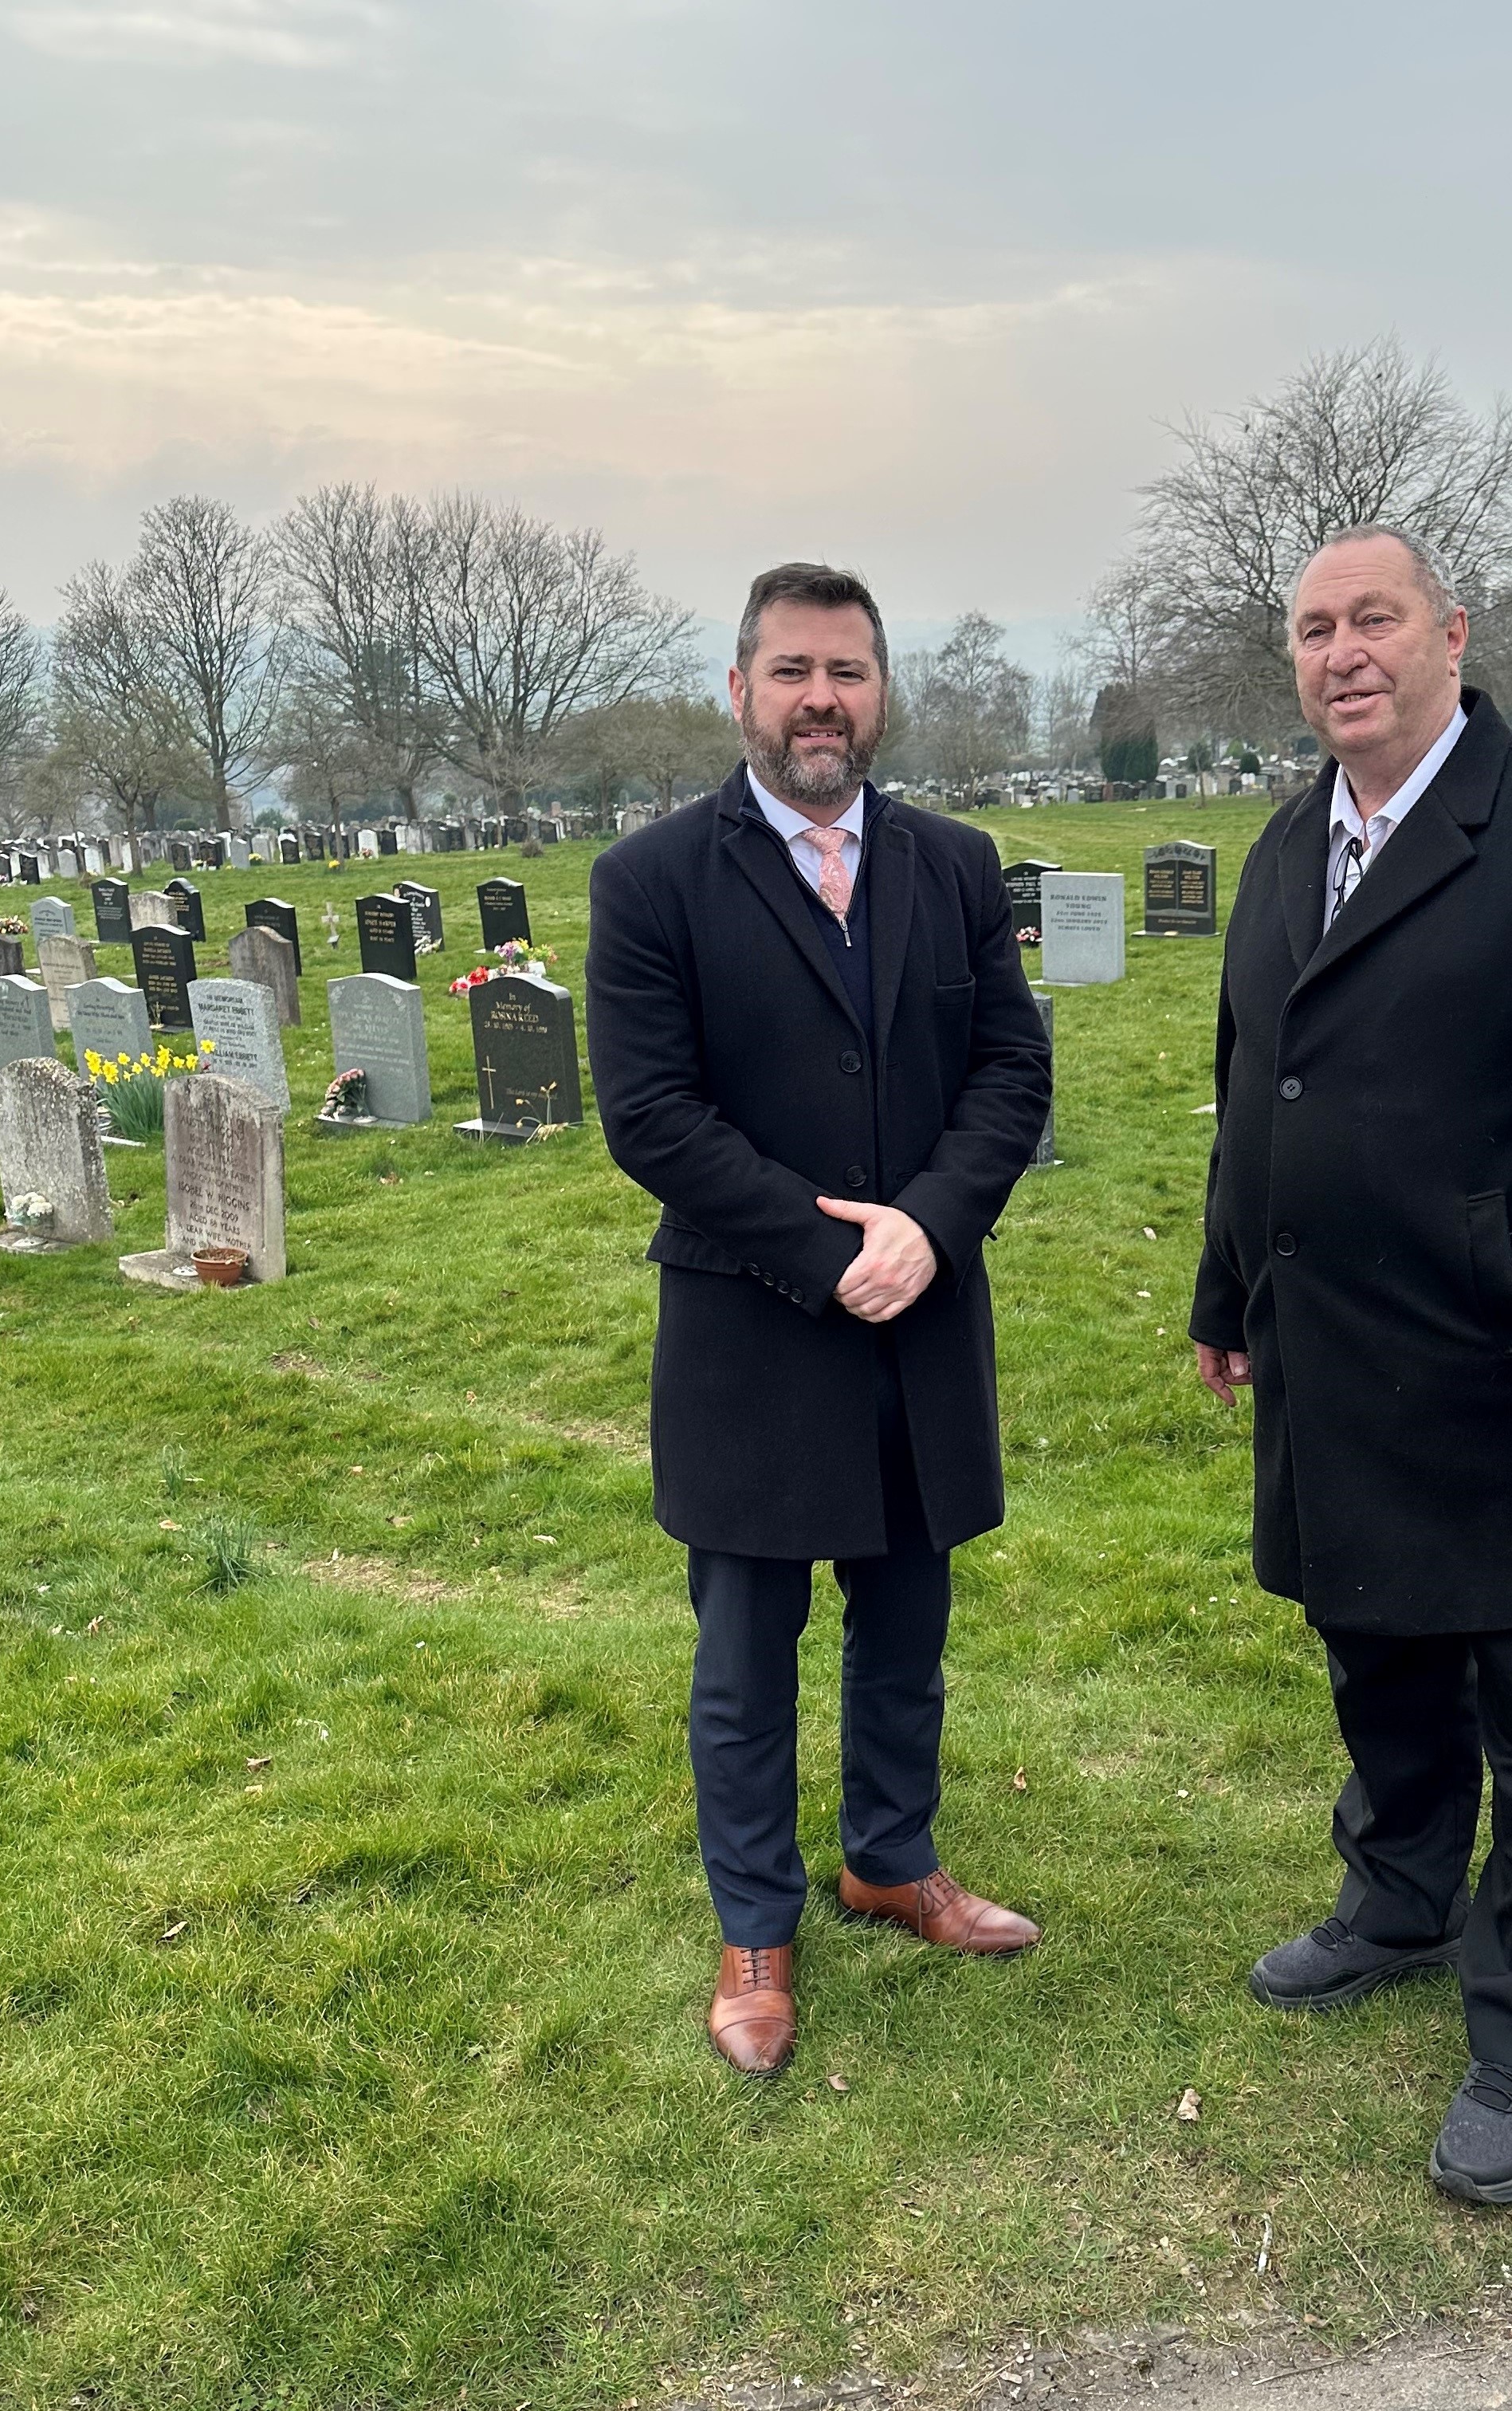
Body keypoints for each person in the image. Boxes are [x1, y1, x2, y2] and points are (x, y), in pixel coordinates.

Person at [1188, 526, 1512, 2203]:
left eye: (1374, 620)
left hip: (1510, 1363)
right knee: (1381, 1666)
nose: (1342, 652)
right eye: (1313, 629)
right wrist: (1223, 1295)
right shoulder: (1287, 850)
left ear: (1449, 635)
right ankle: (1402, 1899)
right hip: (1331, 1355)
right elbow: (1251, 1091)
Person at [587, 561, 1054, 2075]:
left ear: (880, 691)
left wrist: (930, 1224)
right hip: (752, 1322)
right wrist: (819, 1246)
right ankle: (755, 1932)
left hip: (921, 1308)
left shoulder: (956, 865)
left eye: (847, 671)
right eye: (791, 671)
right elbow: (651, 1116)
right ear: (739, 692)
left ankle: (889, 1857)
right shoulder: (653, 880)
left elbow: (1008, 1074)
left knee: (907, 1616)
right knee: (748, 1648)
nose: (821, 701)